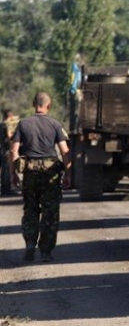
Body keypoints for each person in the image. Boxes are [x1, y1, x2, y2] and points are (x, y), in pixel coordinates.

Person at [9, 92, 71, 263]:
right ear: (48, 106)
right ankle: (45, 251)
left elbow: (13, 151)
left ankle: (30, 243)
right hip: (50, 174)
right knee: (50, 212)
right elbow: (65, 151)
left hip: (30, 172)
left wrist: (13, 173)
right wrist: (68, 173)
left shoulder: (23, 124)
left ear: (33, 104)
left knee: (31, 209)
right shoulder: (55, 125)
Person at [0, 108, 21, 196]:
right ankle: (6, 189)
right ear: (10, 116)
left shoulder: (1, 125)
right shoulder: (6, 125)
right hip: (6, 150)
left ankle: (4, 188)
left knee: (3, 170)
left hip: (1, 149)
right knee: (7, 169)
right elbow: (9, 136)